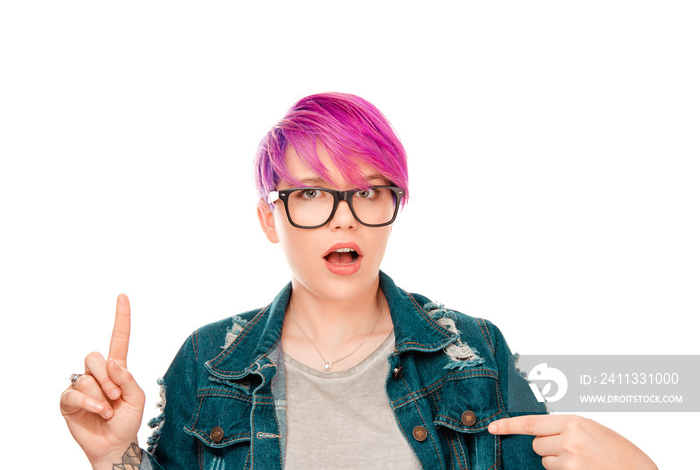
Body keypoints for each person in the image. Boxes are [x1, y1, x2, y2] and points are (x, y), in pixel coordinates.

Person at [60, 92, 658, 469]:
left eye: (369, 191)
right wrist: (115, 455)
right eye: (314, 193)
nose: (345, 216)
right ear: (270, 217)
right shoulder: (208, 364)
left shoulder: (475, 356)